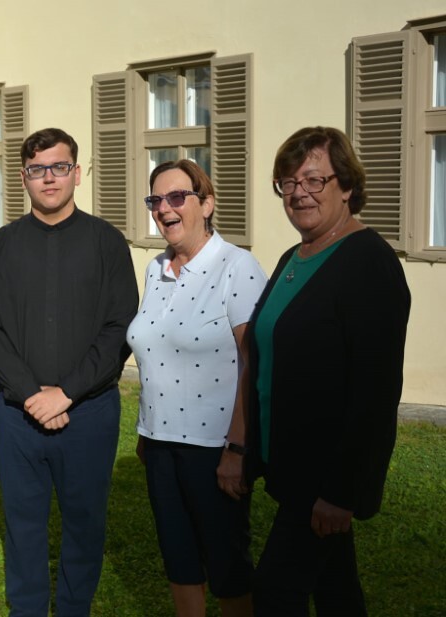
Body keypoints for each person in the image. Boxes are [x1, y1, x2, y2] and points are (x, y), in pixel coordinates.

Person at [0, 127, 138, 616]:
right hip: (16, 417)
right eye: (37, 169)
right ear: (23, 177)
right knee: (22, 527)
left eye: (59, 167)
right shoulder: (0, 247)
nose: (49, 178)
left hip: (88, 413)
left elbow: (119, 327)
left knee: (85, 528)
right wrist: (31, 395)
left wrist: (65, 393)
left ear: (77, 173)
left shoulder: (107, 243)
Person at [247, 126, 411, 616]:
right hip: (293, 464)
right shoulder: (294, 257)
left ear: (347, 185)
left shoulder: (368, 263)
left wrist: (341, 491)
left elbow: (375, 391)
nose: (299, 193)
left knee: (275, 591)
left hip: (322, 475)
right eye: (289, 182)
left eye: (315, 180)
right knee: (336, 590)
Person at [128, 160, 263, 617]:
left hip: (215, 448)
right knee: (179, 561)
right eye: (156, 200)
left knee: (228, 566)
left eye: (176, 197)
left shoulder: (237, 267)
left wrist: (238, 450)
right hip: (159, 444)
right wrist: (146, 433)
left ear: (206, 204)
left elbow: (253, 363)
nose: (164, 208)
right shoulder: (156, 270)